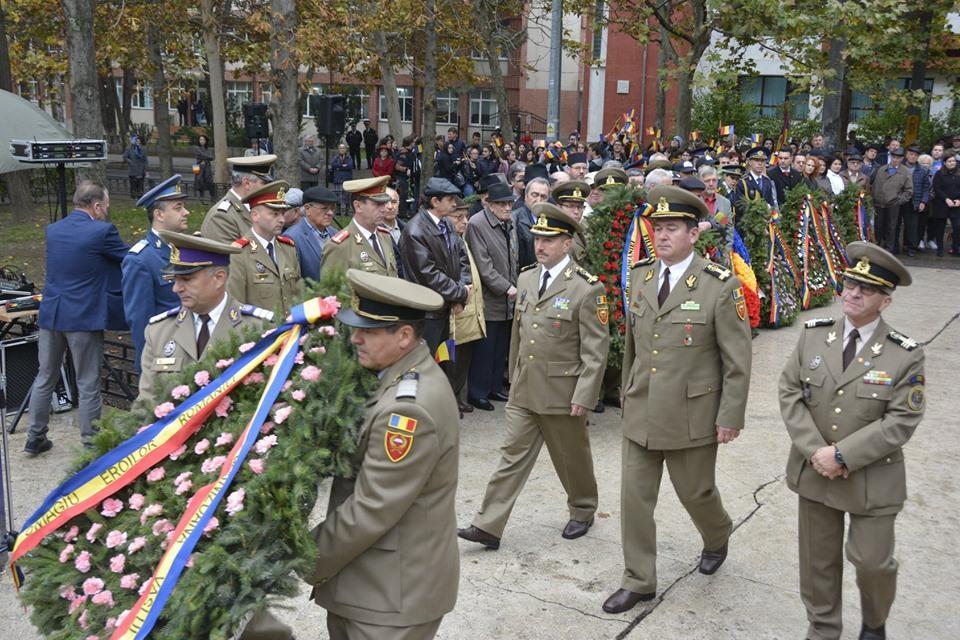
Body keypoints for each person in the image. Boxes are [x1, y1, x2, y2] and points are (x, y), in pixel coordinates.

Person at [603, 186, 752, 614]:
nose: (663, 235)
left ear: (693, 233)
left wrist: (730, 416)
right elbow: (634, 345)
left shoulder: (718, 285)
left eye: (672, 228)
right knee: (634, 501)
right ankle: (639, 580)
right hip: (643, 408)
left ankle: (717, 532)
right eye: (658, 228)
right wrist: (626, 392)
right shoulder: (644, 276)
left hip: (692, 414)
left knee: (696, 493)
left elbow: (737, 360)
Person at [779, 242, 924, 640]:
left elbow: (902, 419)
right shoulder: (814, 336)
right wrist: (817, 452)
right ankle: (823, 629)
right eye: (849, 283)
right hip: (815, 471)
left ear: (886, 301)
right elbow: (790, 392)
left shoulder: (904, 354)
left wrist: (843, 454)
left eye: (867, 289)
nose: (853, 293)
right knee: (818, 562)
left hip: (872, 477)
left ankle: (874, 623)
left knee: (873, 562)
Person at [305, 269, 458, 640]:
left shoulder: (407, 411)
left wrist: (302, 556)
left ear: (404, 336)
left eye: (368, 331)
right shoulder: (396, 375)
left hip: (390, 595)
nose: (355, 338)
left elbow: (372, 506)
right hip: (370, 582)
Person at [458, 203, 609, 550]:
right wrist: (513, 376)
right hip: (525, 388)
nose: (540, 245)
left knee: (571, 458)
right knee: (511, 455)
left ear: (567, 244)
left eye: (549, 240)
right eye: (537, 238)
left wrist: (585, 395)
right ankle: (488, 526)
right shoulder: (526, 278)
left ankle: (583, 509)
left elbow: (594, 350)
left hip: (563, 392)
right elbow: (518, 335)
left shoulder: (587, 289)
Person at [25, 181, 128, 455]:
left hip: (52, 314)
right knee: (88, 380)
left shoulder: (53, 231)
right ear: (95, 206)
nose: (106, 212)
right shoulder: (103, 231)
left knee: (45, 375)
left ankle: (35, 436)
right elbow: (129, 258)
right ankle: (91, 442)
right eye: (105, 207)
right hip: (83, 316)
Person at [137, 231, 273, 403]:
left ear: (218, 278)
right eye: (175, 280)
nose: (176, 288)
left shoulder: (259, 329)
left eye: (186, 279)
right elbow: (146, 402)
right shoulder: (158, 331)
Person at [122, 175, 190, 371]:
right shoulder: (141, 259)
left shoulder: (185, 249)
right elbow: (140, 320)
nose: (186, 212)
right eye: (178, 208)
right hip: (165, 359)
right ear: (159, 215)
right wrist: (150, 367)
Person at [399, 177, 472, 359]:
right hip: (427, 314)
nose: (455, 204)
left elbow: (461, 255)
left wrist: (462, 289)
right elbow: (428, 274)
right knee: (426, 362)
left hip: (445, 308)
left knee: (443, 361)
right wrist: (460, 293)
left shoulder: (445, 222)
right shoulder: (415, 231)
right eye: (450, 199)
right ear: (434, 201)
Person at [465, 182, 518, 411]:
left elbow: (513, 255)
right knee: (485, 349)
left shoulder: (510, 221)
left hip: (509, 297)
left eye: (509, 203)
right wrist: (506, 287)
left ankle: (495, 387)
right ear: (489, 203)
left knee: (500, 347)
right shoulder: (477, 224)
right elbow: (483, 266)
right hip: (490, 296)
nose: (507, 207)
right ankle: (478, 392)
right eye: (502, 204)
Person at [228, 181, 302, 316]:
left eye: (282, 213)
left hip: (290, 332)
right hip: (258, 333)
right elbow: (235, 305)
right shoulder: (239, 253)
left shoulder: (288, 248)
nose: (281, 220)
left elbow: (298, 294)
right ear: (255, 215)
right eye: (274, 214)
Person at [320, 176, 399, 277]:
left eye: (384, 203)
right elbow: (331, 290)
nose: (384, 209)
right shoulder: (340, 246)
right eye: (378, 204)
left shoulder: (385, 236)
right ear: (358, 206)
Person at [449, 200, 485, 417]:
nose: (465, 222)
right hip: (457, 312)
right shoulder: (447, 242)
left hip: (471, 310)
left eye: (466, 217)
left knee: (463, 359)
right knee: (452, 360)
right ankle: (450, 400)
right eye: (458, 218)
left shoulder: (461, 240)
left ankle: (458, 397)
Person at [201, 155, 277, 244]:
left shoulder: (255, 209)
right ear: (247, 183)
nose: (268, 188)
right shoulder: (221, 217)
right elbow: (232, 257)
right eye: (264, 183)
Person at [285, 185, 340, 282]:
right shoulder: (292, 237)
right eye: (324, 208)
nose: (330, 213)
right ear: (307, 209)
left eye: (332, 208)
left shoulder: (336, 234)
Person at [870, 148, 912, 253]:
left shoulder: (905, 172)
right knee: (878, 226)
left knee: (891, 227)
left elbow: (909, 191)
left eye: (898, 158)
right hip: (878, 203)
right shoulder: (882, 169)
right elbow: (874, 184)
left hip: (893, 204)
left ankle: (889, 249)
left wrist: (898, 200)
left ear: (902, 159)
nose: (895, 160)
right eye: (894, 157)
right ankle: (877, 246)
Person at [513, 169, 551, 269]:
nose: (539, 200)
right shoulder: (514, 219)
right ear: (526, 196)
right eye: (534, 195)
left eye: (543, 196)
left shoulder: (552, 219)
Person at [930, 154, 960, 257]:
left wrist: (958, 200)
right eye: (950, 161)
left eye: (953, 161)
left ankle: (956, 248)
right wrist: (946, 199)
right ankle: (940, 248)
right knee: (940, 228)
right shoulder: (939, 174)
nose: (952, 163)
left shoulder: (959, 174)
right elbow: (937, 188)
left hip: (956, 205)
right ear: (945, 163)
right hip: (941, 204)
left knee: (957, 227)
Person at [553, 180, 591, 262]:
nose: (576, 211)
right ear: (559, 207)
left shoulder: (581, 229)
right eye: (571, 206)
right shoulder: (555, 233)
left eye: (580, 207)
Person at [331, 143, 355, 215]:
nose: (342, 150)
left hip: (347, 179)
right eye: (340, 148)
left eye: (343, 148)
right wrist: (342, 166)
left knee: (347, 196)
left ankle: (347, 211)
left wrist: (339, 167)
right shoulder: (336, 157)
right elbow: (333, 165)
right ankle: (338, 211)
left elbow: (350, 166)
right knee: (338, 195)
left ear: (345, 149)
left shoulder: (349, 157)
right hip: (338, 179)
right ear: (338, 149)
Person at [123, 135, 148, 199]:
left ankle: (140, 197)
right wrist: (130, 162)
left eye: (139, 141)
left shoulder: (143, 148)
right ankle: (133, 197)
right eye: (137, 141)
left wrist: (146, 169)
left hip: (141, 169)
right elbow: (125, 157)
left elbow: (145, 159)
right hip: (132, 169)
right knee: (133, 184)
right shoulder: (129, 148)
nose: (138, 143)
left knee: (140, 184)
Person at [194, 134, 215, 203]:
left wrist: (205, 158)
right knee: (200, 181)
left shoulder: (208, 149)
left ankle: (213, 197)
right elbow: (201, 155)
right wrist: (206, 158)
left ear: (206, 141)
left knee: (210, 182)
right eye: (200, 139)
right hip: (198, 166)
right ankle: (201, 199)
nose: (202, 141)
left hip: (207, 166)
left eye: (203, 139)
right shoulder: (197, 148)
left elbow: (212, 157)